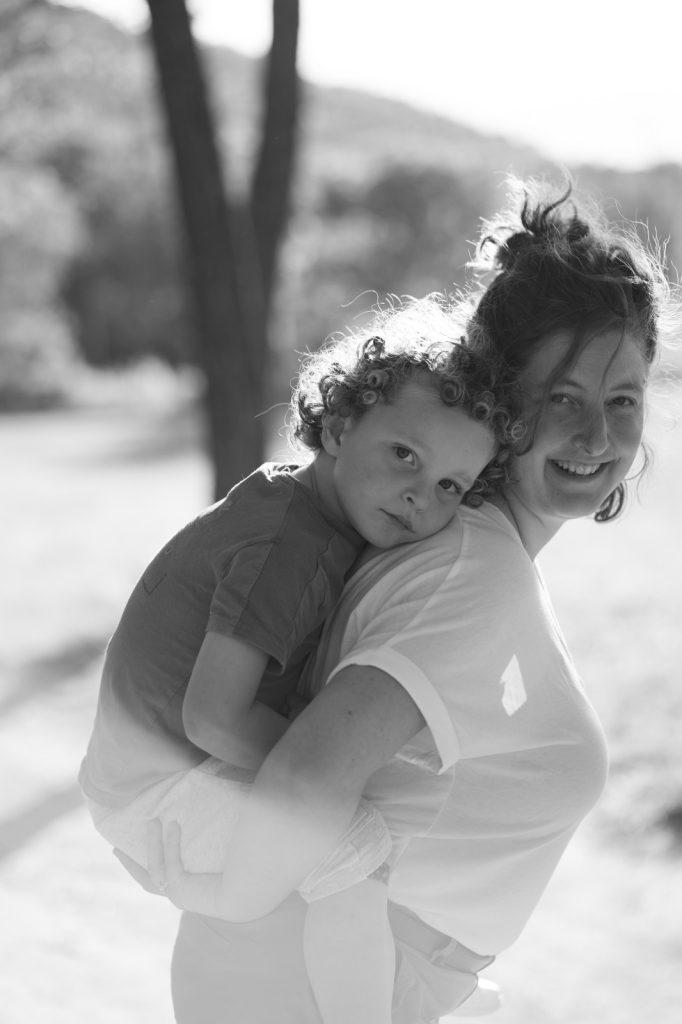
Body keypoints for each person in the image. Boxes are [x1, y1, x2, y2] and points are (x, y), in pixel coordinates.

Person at [149, 180, 674, 1024]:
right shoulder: (468, 571)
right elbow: (304, 777)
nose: (598, 437)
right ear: (505, 405)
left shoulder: (472, 549)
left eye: (623, 401)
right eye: (563, 399)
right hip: (313, 984)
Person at [78, 298, 520, 1024]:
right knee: (358, 849)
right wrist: (329, 775)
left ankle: (388, 984)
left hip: (150, 770)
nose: (421, 494)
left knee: (333, 842)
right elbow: (213, 715)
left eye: (451, 486)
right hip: (161, 786)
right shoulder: (293, 542)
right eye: (405, 455)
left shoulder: (298, 506)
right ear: (341, 427)